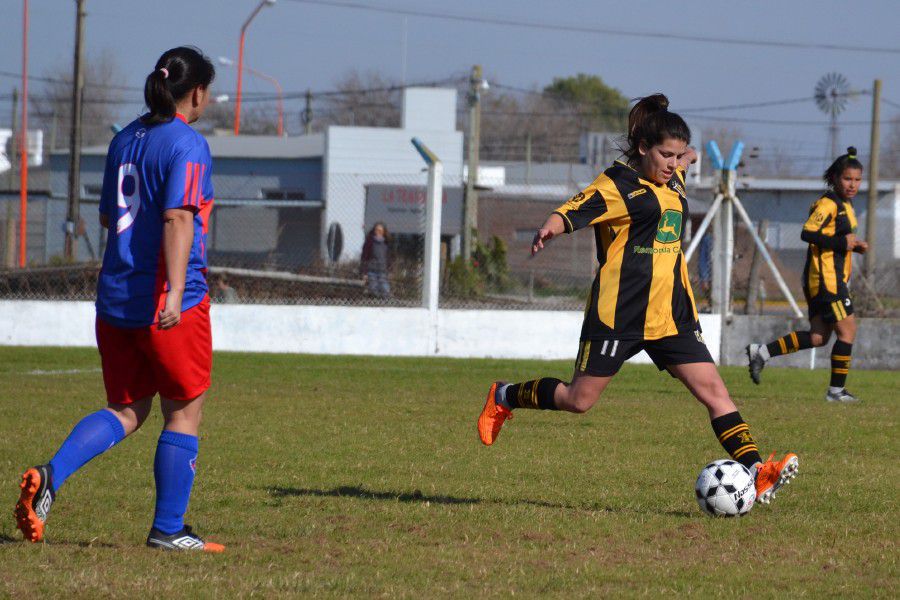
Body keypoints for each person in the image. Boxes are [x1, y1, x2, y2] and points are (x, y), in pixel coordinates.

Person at [477, 94, 798, 505]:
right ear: (643, 148)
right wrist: (549, 228)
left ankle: (757, 469)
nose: (673, 163)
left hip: (671, 316)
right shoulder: (616, 185)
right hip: (619, 314)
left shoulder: (673, 176)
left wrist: (687, 155)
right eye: (666, 154)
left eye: (677, 156)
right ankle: (504, 396)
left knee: (715, 393)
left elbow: (686, 157)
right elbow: (572, 209)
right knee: (579, 401)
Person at [14, 47, 223, 552]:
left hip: (115, 299)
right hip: (168, 302)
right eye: (208, 90)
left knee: (127, 407)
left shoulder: (125, 140)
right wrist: (174, 290)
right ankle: (168, 530)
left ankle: (51, 474)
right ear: (196, 93)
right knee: (183, 411)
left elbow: (111, 218)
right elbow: (178, 218)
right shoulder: (187, 144)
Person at [747, 147, 867, 402]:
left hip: (829, 278)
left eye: (857, 179)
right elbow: (807, 233)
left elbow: (835, 239)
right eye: (848, 179)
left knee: (818, 337)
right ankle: (836, 392)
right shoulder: (828, 203)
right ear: (835, 178)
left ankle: (761, 352)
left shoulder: (847, 204)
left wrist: (854, 246)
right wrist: (841, 244)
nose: (853, 184)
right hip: (826, 280)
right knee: (848, 331)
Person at [361, 222, 392, 298]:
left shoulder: (386, 243)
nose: (379, 232)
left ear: (384, 232)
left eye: (380, 230)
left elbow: (389, 258)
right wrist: (364, 272)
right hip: (372, 270)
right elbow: (364, 257)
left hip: (383, 271)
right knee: (373, 289)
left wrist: (390, 270)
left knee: (385, 290)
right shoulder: (370, 242)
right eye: (377, 230)